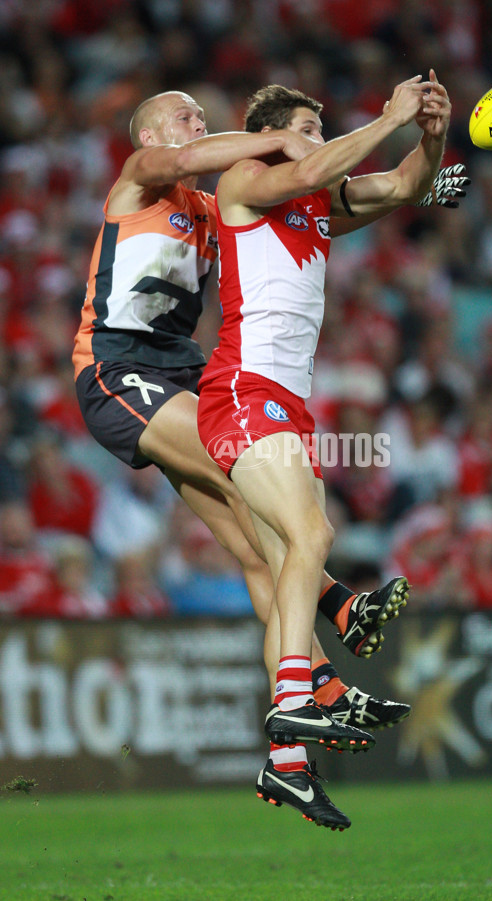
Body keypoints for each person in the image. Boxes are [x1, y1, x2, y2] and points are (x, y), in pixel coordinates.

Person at [72, 89, 435, 752]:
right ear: (151, 136)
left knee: (253, 542)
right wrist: (283, 140)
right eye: (184, 116)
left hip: (180, 374)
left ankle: (292, 743)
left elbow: (331, 200)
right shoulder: (139, 179)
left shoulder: (214, 209)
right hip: (117, 369)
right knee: (264, 490)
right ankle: (337, 611)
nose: (198, 124)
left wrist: (420, 180)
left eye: (201, 116)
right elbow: (199, 157)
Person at [198, 75, 452, 828]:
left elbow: (409, 184)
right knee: (314, 536)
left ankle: (285, 766)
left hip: (287, 405)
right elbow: (309, 168)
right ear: (276, 135)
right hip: (244, 388)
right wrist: (387, 117)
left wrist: (429, 134)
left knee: (287, 566)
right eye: (309, 126)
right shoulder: (243, 179)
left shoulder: (315, 205)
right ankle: (295, 705)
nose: (319, 138)